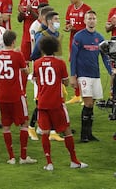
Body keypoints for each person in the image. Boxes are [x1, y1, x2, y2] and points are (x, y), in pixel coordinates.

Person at [33, 36, 88, 171]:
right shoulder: (60, 63)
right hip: (56, 103)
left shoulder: (37, 63)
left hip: (42, 102)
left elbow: (35, 79)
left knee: (45, 132)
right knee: (67, 130)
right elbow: (65, 82)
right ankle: (74, 161)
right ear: (56, 48)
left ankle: (49, 163)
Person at [0, 30, 37, 165]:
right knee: (24, 123)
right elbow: (26, 71)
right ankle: (23, 157)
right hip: (17, 95)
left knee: (6, 126)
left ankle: (11, 157)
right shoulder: (17, 55)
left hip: (2, 96)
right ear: (13, 42)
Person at [70, 10, 112, 142]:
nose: (91, 20)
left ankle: (89, 134)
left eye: (93, 18)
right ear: (84, 21)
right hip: (84, 76)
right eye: (89, 18)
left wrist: (112, 72)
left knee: (91, 105)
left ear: (96, 20)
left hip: (95, 75)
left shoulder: (99, 38)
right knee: (87, 103)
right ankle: (84, 135)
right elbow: (73, 57)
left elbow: (105, 58)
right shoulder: (78, 37)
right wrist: (73, 76)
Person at [29, 11, 65, 142]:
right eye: (56, 19)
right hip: (43, 74)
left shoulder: (59, 35)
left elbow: (59, 54)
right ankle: (31, 127)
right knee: (41, 101)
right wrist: (41, 67)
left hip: (55, 73)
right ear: (49, 21)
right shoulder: (42, 36)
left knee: (55, 100)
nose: (58, 21)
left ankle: (52, 130)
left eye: (58, 18)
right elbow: (34, 55)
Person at [17, 0, 48, 91]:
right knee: (24, 64)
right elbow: (20, 20)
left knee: (38, 63)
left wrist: (32, 12)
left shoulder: (43, 1)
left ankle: (40, 89)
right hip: (26, 37)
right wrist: (21, 13)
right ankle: (23, 90)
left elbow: (43, 19)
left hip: (38, 36)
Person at [64, 0, 92, 104]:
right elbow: (67, 23)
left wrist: (75, 28)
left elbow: (90, 27)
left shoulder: (87, 9)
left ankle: (86, 94)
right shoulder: (70, 8)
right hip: (73, 43)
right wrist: (68, 28)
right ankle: (77, 95)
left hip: (84, 44)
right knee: (74, 67)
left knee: (84, 69)